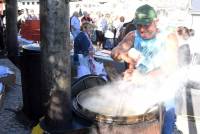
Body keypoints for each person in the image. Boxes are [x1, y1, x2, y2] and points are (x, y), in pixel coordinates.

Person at [111, 4, 179, 134]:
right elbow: (114, 53)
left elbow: (171, 66)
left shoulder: (168, 37)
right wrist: (126, 57)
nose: (142, 30)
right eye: (139, 25)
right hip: (140, 87)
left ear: (156, 22)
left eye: (146, 25)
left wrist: (144, 76)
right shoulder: (133, 35)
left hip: (164, 89)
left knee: (166, 125)